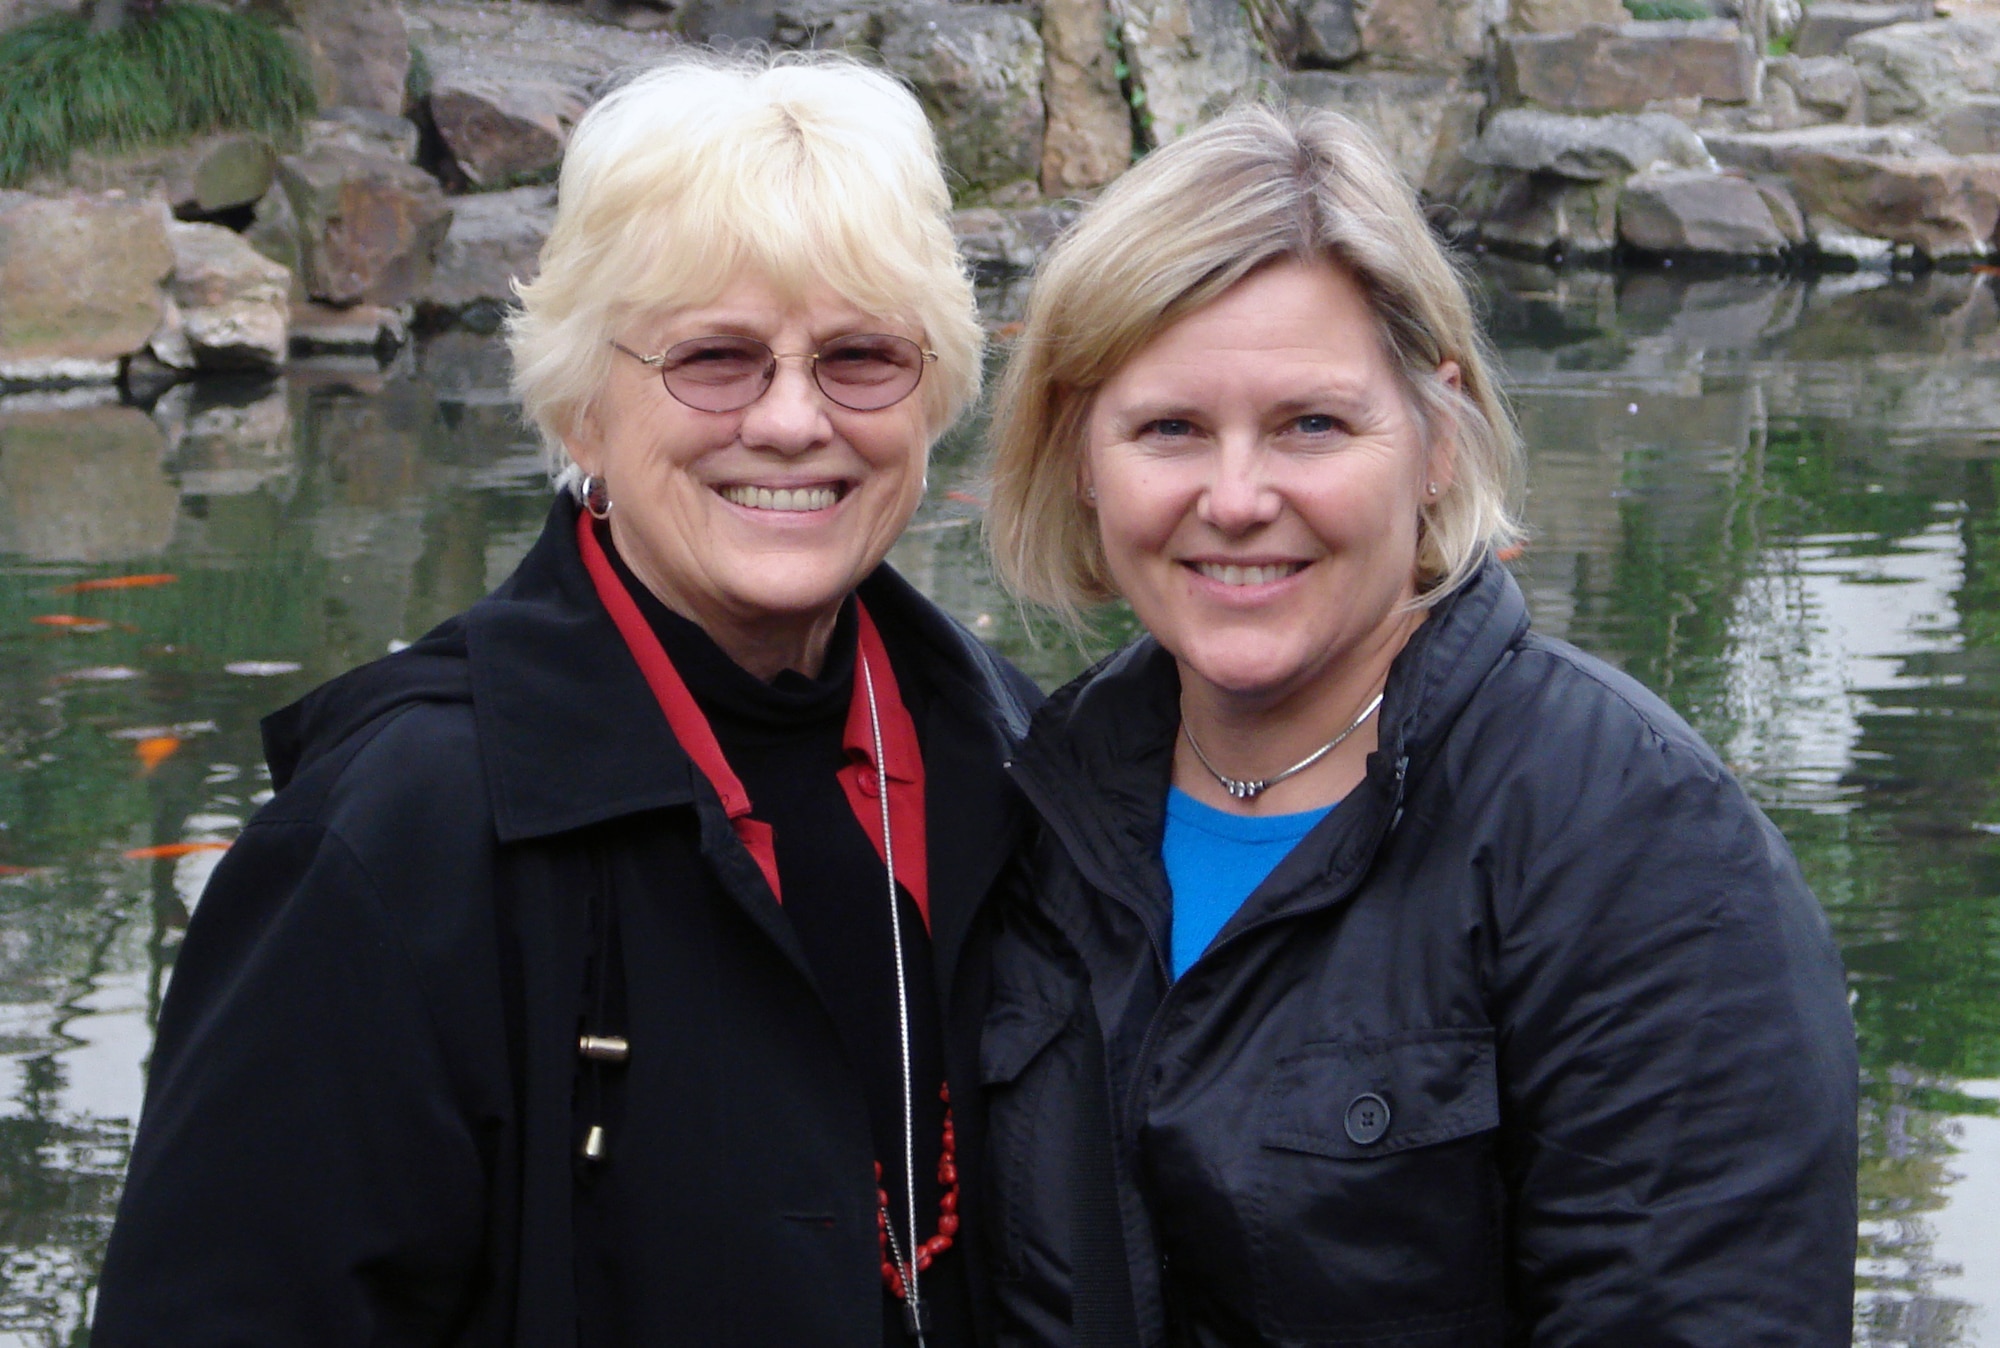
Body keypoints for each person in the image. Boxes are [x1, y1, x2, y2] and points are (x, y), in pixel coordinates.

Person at [92, 51, 1039, 1348]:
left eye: (860, 358)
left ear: (931, 396)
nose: (790, 419)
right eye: (716, 358)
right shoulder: (396, 839)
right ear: (586, 402)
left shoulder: (1020, 760)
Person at [979, 104, 1858, 1348]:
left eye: (1311, 425)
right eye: (1168, 428)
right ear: (1081, 457)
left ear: (1435, 436)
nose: (1235, 499)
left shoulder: (1631, 837)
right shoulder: (1029, 804)